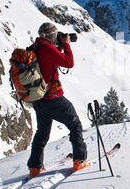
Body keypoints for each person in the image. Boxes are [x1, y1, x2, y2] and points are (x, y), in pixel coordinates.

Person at [27, 22, 88, 178]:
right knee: (75, 125)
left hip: (38, 99)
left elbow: (49, 61)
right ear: (51, 36)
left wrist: (58, 47)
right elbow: (69, 63)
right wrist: (66, 45)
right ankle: (79, 160)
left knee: (42, 132)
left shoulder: (36, 47)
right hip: (52, 97)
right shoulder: (47, 49)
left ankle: (34, 167)